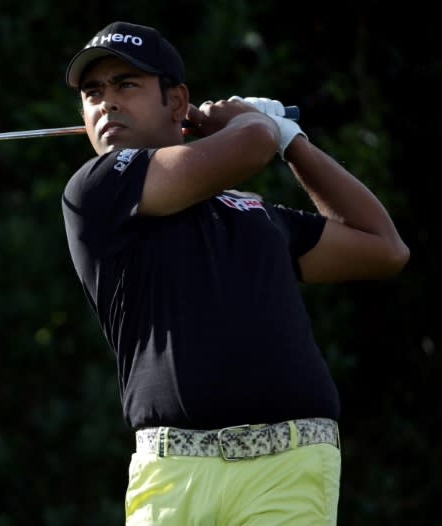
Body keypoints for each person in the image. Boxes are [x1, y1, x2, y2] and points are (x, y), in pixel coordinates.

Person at [60, 21, 409, 525]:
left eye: (127, 85)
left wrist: (294, 144)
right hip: (172, 476)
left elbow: (383, 247)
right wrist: (254, 123)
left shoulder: (253, 212)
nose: (107, 103)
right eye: (94, 93)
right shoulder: (95, 191)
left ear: (177, 103)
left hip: (290, 469)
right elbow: (247, 147)